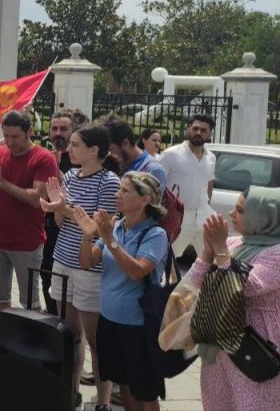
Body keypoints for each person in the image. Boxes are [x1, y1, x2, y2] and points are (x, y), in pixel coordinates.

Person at [40, 124, 121, 410]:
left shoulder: (109, 181)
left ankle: (103, 402)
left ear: (94, 150)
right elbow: (63, 224)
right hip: (63, 260)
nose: (69, 149)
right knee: (69, 334)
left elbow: (99, 231)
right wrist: (58, 208)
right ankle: (69, 392)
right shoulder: (71, 175)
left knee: (96, 340)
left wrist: (63, 206)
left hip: (90, 269)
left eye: (75, 145)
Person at [76, 172, 170, 411]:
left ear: (145, 199)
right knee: (125, 386)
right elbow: (87, 262)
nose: (117, 195)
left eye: (125, 191)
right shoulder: (116, 226)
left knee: (145, 392)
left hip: (137, 327)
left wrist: (110, 241)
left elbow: (137, 271)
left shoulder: (155, 234)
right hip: (109, 320)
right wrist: (88, 236)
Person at [0, 111, 58, 366]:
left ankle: (31, 352)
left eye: (16, 136)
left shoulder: (43, 158)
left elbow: (37, 199)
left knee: (29, 302)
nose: (10, 142)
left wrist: (2, 181)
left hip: (27, 242)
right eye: (6, 136)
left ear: (29, 132)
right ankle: (1, 349)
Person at [192, 187, 280, 410]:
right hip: (219, 343)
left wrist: (220, 249)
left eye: (240, 210)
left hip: (256, 345)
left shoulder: (276, 252)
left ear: (265, 216)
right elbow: (195, 281)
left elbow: (246, 286)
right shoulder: (234, 244)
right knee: (218, 403)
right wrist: (208, 251)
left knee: (253, 403)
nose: (231, 213)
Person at [40, 109, 88, 315]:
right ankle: (52, 321)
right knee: (47, 277)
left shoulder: (80, 159)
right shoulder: (43, 155)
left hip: (73, 232)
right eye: (54, 128)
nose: (58, 133)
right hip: (46, 229)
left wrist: (59, 173)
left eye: (63, 129)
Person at [159, 114, 216, 257]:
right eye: (195, 128)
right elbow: (155, 184)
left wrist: (205, 205)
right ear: (187, 130)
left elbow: (209, 183)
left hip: (203, 214)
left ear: (209, 135)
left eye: (203, 130)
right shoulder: (170, 154)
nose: (198, 132)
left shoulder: (211, 157)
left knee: (211, 258)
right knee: (168, 256)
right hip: (178, 215)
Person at [104, 117, 167, 197]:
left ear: (125, 143)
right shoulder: (117, 166)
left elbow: (151, 207)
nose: (109, 154)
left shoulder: (153, 170)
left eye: (111, 149)